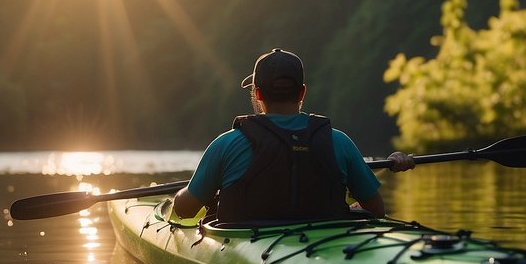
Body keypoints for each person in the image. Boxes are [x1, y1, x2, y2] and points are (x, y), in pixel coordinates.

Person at [172, 48, 414, 222]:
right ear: (302, 93)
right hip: (325, 249)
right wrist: (397, 161)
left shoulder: (226, 144)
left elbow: (184, 210)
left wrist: (188, 192)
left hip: (245, 249)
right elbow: (377, 210)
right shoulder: (338, 141)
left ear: (257, 94)